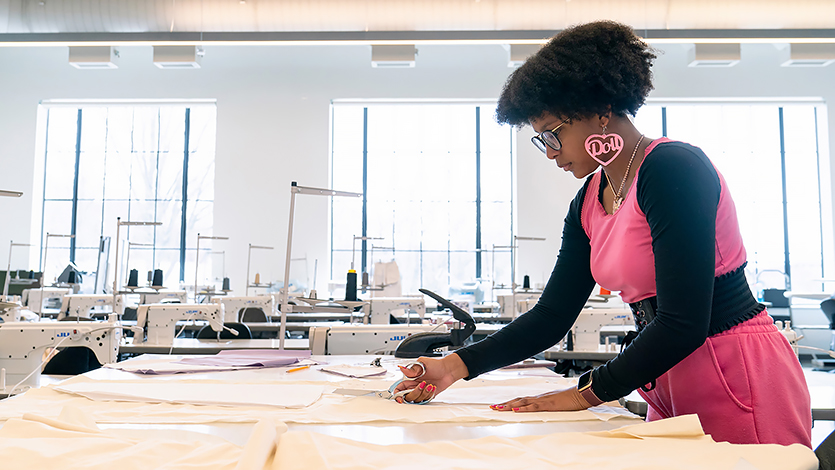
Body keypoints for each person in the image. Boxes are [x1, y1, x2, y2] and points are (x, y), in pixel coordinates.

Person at [394, 20, 812, 448]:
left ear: (601, 109)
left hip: (732, 372)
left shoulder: (672, 169)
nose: (551, 153)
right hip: (663, 378)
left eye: (554, 135)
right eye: (541, 141)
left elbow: (685, 323)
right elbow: (551, 317)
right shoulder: (589, 199)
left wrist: (584, 393)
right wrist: (456, 365)